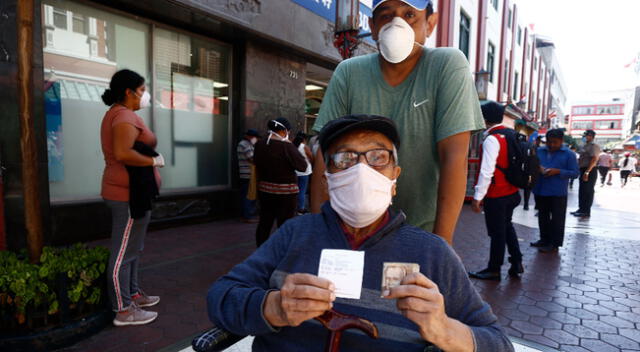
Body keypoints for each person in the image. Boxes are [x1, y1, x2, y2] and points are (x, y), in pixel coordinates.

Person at [207, 115, 514, 352]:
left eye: (378, 157)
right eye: (345, 159)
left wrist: (445, 329)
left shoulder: (430, 253)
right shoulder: (295, 234)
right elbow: (221, 298)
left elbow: (498, 342)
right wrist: (273, 307)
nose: (361, 170)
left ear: (395, 176)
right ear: (327, 178)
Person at [309, 0, 484, 244]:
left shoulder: (447, 65)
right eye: (386, 15)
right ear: (372, 25)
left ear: (430, 23)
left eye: (409, 14)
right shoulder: (348, 72)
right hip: (350, 231)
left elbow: (454, 158)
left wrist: (441, 246)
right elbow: (324, 158)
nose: (397, 24)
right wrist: (319, 237)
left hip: (420, 231)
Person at [100, 69, 161, 326]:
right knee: (123, 252)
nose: (144, 95)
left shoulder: (125, 115)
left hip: (136, 193)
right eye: (142, 90)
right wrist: (153, 160)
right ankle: (123, 310)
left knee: (134, 248)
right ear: (128, 91)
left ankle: (133, 293)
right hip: (124, 195)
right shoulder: (122, 115)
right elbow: (123, 153)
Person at [468, 101, 523, 281]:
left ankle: (494, 268)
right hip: (512, 191)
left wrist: (478, 196)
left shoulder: (492, 138)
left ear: (484, 118)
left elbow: (487, 170)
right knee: (507, 227)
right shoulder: (511, 134)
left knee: (497, 233)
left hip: (497, 193)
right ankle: (517, 262)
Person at [253, 118, 307, 246]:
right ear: (284, 131)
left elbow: (256, 162)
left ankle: (261, 250)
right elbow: (302, 166)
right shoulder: (287, 146)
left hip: (265, 191)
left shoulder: (260, 144)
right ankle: (281, 252)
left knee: (264, 222)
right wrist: (290, 144)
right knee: (285, 224)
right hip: (286, 194)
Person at [529, 129, 579, 253]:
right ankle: (544, 239)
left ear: (561, 141)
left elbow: (575, 173)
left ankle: (554, 243)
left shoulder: (569, 154)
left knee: (557, 219)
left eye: (555, 142)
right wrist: (538, 168)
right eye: (549, 142)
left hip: (557, 192)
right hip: (540, 189)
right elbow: (532, 164)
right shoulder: (539, 151)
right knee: (542, 216)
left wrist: (558, 171)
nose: (551, 145)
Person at [571, 130, 600, 218]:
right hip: (583, 169)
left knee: (588, 191)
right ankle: (581, 209)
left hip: (590, 170)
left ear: (591, 136)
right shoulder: (584, 146)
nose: (584, 137)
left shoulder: (594, 146)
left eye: (585, 135)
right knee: (582, 190)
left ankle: (586, 211)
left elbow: (594, 159)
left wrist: (587, 172)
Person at [237, 129, 260, 223]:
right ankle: (247, 216)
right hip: (247, 174)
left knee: (248, 195)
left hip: (249, 174)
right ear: (250, 136)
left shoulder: (248, 144)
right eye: (255, 137)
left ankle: (247, 215)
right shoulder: (245, 144)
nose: (256, 139)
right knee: (248, 195)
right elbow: (252, 158)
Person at [293, 131, 314, 214]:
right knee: (302, 191)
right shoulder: (304, 147)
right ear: (304, 139)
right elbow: (311, 157)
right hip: (304, 172)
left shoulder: (292, 145)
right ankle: (300, 209)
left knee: (294, 191)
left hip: (294, 171)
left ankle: (293, 208)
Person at [523, 136, 542, 210]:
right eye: (538, 140)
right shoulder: (532, 147)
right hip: (531, 171)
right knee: (528, 188)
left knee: (535, 189)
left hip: (536, 171)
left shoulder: (541, 149)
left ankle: (536, 204)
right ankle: (526, 204)